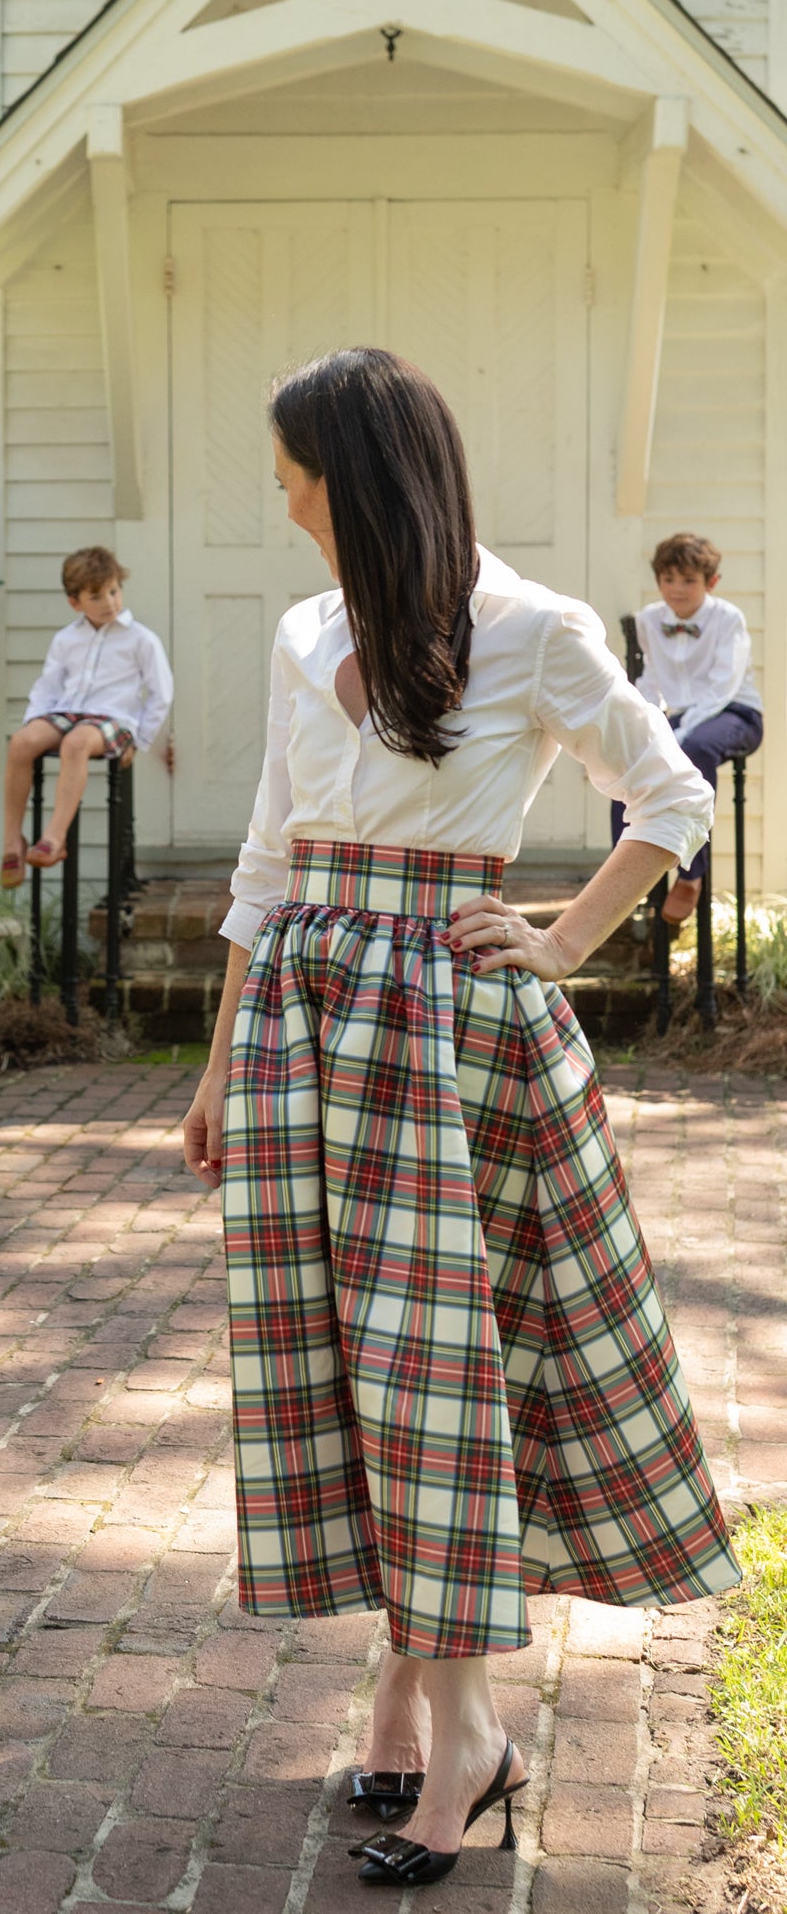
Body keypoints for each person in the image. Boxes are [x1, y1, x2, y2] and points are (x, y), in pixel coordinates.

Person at [180, 349, 739, 1891]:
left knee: (439, 1377)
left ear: (354, 476)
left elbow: (673, 797)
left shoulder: (536, 630)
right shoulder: (305, 630)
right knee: (354, 1372)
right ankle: (412, 1708)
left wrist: (561, 938)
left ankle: (473, 1738)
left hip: (447, 1044)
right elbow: (264, 858)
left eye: (294, 467)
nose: (279, 493)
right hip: (305, 1031)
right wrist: (220, 1062)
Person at [0, 546, 173, 888]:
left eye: (113, 591)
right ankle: (11, 841)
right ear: (75, 602)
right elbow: (47, 688)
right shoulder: (66, 639)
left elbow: (160, 693)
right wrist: (34, 723)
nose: (109, 601)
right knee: (22, 742)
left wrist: (138, 741)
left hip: (113, 719)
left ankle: (54, 837)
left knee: (77, 742)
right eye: (97, 596)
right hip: (66, 710)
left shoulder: (141, 640)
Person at [612, 530, 762, 926]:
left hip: (733, 711)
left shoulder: (727, 618)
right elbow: (651, 683)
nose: (676, 589)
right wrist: (647, 723)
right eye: (668, 579)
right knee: (631, 757)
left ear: (711, 583)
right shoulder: (649, 619)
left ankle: (692, 874)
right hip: (680, 714)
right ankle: (626, 874)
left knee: (693, 750)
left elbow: (721, 688)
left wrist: (675, 736)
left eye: (689, 580)